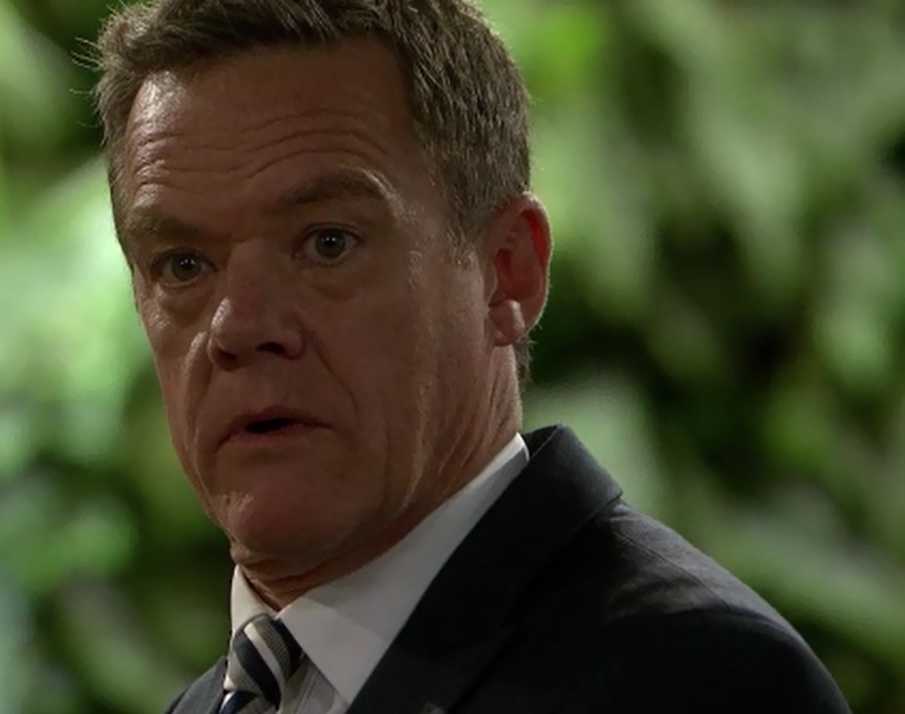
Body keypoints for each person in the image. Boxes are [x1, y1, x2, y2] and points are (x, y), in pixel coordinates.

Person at [90, 1, 852, 713]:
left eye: (327, 243)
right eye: (182, 266)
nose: (239, 326)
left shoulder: (699, 680)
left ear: (508, 272)